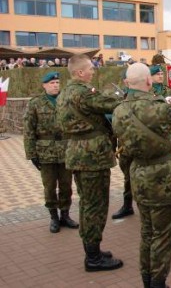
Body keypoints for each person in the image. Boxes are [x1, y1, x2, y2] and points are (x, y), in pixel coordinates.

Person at [112, 63, 171, 288]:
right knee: (164, 236)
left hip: (138, 174)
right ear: (149, 81)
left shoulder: (119, 110)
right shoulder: (157, 106)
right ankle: (158, 283)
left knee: (147, 233)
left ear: (128, 83)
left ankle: (147, 280)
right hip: (163, 179)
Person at [56, 54, 123, 272]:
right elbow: (111, 104)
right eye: (90, 69)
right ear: (79, 73)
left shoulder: (64, 92)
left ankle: (93, 250)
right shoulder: (82, 93)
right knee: (95, 206)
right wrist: (130, 96)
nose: (93, 72)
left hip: (77, 153)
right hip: (92, 156)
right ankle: (93, 258)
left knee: (87, 203)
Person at [23, 72, 79, 234]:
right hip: (45, 152)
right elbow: (28, 130)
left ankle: (65, 215)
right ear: (44, 85)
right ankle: (54, 217)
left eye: (57, 82)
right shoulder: (36, 103)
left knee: (66, 186)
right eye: (52, 83)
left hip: (65, 151)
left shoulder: (66, 101)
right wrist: (31, 154)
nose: (55, 85)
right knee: (49, 187)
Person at [111, 71, 134, 220]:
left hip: (142, 146)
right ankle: (127, 205)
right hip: (124, 146)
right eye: (128, 79)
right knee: (128, 177)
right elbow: (113, 124)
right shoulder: (119, 98)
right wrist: (113, 146)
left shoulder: (148, 96)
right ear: (125, 81)